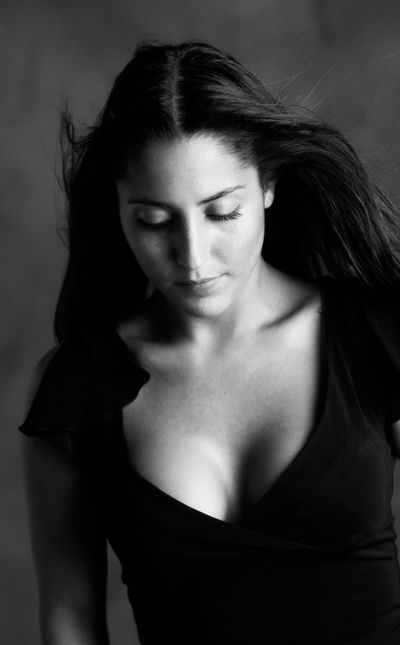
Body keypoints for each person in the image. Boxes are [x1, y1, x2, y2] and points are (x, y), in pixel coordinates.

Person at [20, 39, 400, 645]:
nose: (192, 257)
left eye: (221, 212)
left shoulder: (377, 335)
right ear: (117, 211)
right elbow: (70, 624)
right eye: (153, 220)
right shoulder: (75, 391)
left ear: (268, 186)